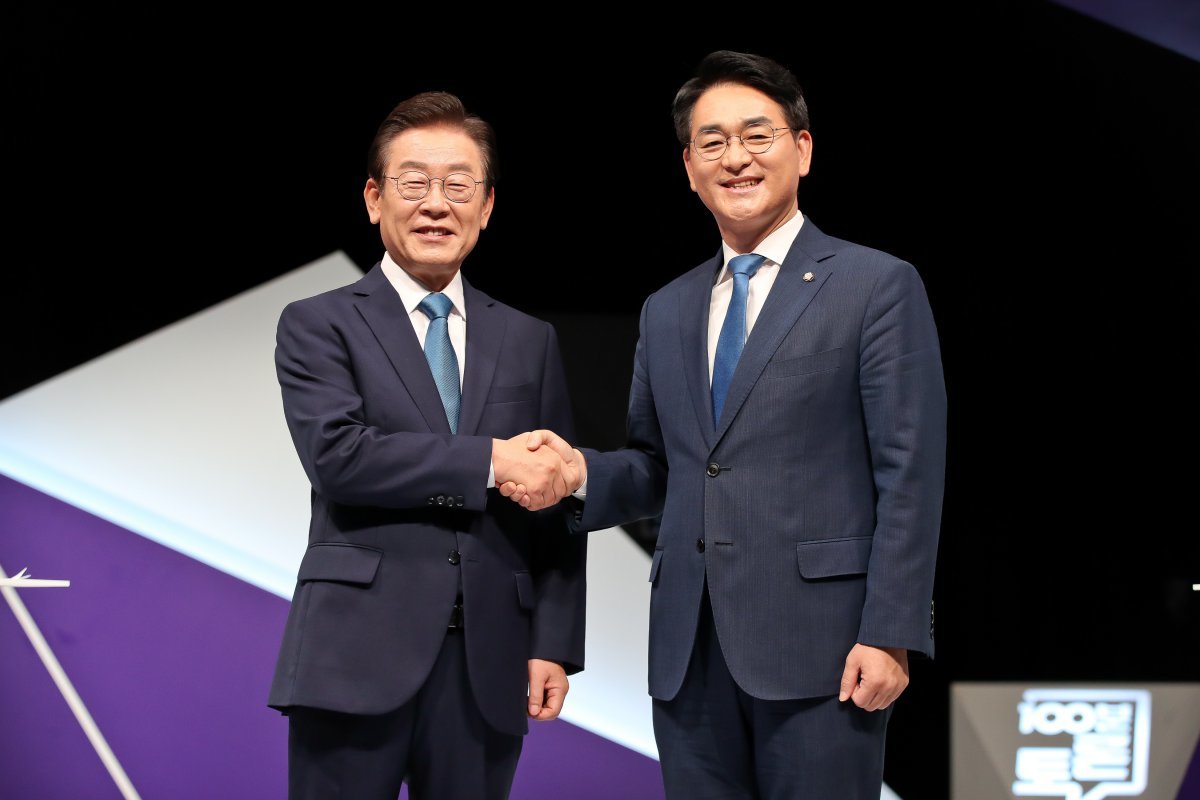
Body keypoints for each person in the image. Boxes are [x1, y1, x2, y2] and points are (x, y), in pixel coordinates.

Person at [504, 50, 946, 799]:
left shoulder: (876, 285)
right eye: (712, 142)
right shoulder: (668, 308)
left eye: (756, 135)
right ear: (689, 167)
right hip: (689, 653)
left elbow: (910, 472)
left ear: (802, 148)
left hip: (826, 650)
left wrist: (890, 629)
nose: (735, 158)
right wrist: (579, 473)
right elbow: (658, 465)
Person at [267, 90, 587, 800]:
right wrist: (491, 461)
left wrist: (554, 642)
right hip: (354, 651)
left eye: (458, 185)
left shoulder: (529, 339)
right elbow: (340, 458)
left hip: (489, 661)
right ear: (374, 199)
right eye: (413, 183)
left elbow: (560, 501)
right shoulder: (318, 323)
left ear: (487, 205)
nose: (436, 204)